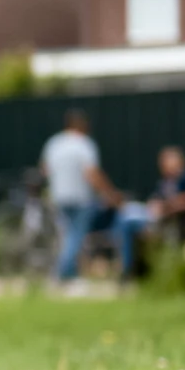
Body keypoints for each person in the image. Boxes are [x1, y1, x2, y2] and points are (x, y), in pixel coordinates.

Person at [40, 110, 120, 284]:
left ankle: (71, 272)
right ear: (82, 125)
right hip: (80, 197)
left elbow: (45, 169)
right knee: (76, 235)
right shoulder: (84, 144)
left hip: (58, 197)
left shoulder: (54, 143)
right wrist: (109, 193)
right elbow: (91, 174)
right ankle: (62, 273)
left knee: (65, 235)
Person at [116, 145, 185, 280]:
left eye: (166, 162)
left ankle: (131, 271)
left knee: (130, 225)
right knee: (125, 220)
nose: (164, 167)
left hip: (174, 224)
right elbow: (155, 200)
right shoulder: (164, 183)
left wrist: (165, 207)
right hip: (156, 220)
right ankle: (130, 270)